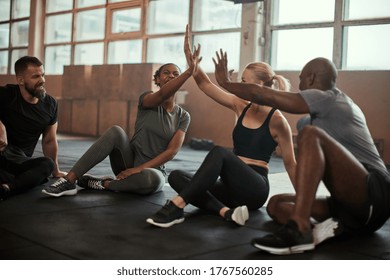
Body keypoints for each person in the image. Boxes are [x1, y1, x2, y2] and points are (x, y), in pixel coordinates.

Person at [213, 52, 390, 255]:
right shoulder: (314, 117)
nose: (298, 83)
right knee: (276, 205)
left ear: (312, 78)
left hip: (376, 194)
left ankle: (300, 228)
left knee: (309, 134)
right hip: (350, 210)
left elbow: (264, 95)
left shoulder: (330, 98)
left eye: (301, 78)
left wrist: (226, 83)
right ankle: (325, 230)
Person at [146, 26, 297, 228]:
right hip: (230, 188)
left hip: (255, 189)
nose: (239, 85)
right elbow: (205, 85)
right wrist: (190, 59)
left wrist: (305, 205)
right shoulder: (240, 104)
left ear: (260, 85)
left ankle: (176, 206)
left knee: (220, 153)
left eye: (244, 82)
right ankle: (226, 212)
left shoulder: (277, 120)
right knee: (177, 177)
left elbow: (291, 164)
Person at [41, 42, 199, 197]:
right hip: (126, 162)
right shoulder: (147, 98)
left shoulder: (183, 116)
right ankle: (69, 181)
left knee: (154, 180)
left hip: (151, 170)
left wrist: (139, 169)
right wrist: (188, 72)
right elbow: (163, 95)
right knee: (116, 131)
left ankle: (104, 184)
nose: (171, 76)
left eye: (176, 74)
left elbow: (171, 152)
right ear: (157, 79)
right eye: (166, 73)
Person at [0, 56, 66, 200]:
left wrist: (56, 170)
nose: (42, 80)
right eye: (36, 76)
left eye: (42, 75)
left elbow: (49, 140)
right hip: (1, 154)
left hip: (20, 162)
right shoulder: (6, 94)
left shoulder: (51, 104)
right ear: (21, 80)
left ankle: (7, 188)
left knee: (46, 165)